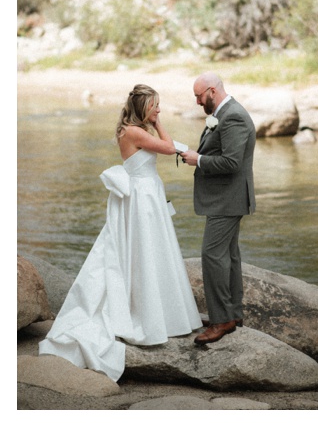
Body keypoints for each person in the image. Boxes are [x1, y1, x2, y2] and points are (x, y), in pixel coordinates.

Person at [39, 84, 200, 380]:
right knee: (141, 252)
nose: (159, 110)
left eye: (159, 107)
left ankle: (158, 310)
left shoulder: (134, 130)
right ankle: (139, 313)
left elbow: (166, 148)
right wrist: (160, 125)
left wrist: (159, 126)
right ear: (144, 108)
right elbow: (168, 147)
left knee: (152, 252)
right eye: (155, 106)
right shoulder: (135, 132)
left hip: (148, 195)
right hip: (141, 198)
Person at [180, 73, 255, 344]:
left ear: (212, 91)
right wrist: (198, 156)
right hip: (227, 198)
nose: (198, 102)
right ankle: (233, 314)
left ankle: (221, 321)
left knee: (212, 256)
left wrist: (198, 160)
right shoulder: (226, 113)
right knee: (229, 256)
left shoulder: (233, 116)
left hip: (228, 199)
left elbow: (232, 163)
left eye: (199, 96)